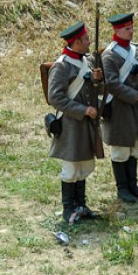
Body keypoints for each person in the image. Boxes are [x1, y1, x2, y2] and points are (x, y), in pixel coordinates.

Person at [47, 21, 103, 223]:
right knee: (71, 167)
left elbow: (95, 89)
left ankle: (81, 205)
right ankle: (68, 208)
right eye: (86, 39)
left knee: (84, 164)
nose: (89, 42)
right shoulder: (62, 65)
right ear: (77, 41)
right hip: (71, 124)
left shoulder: (87, 60)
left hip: (87, 122)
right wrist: (83, 110)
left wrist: (97, 80)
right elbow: (55, 97)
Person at [100, 13, 138, 203]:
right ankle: (122, 188)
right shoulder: (109, 55)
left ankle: (133, 185)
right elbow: (112, 84)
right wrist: (135, 96)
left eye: (131, 28)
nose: (131, 32)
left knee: (134, 146)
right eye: (126, 29)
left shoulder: (136, 50)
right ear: (116, 30)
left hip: (135, 106)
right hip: (119, 106)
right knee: (121, 149)